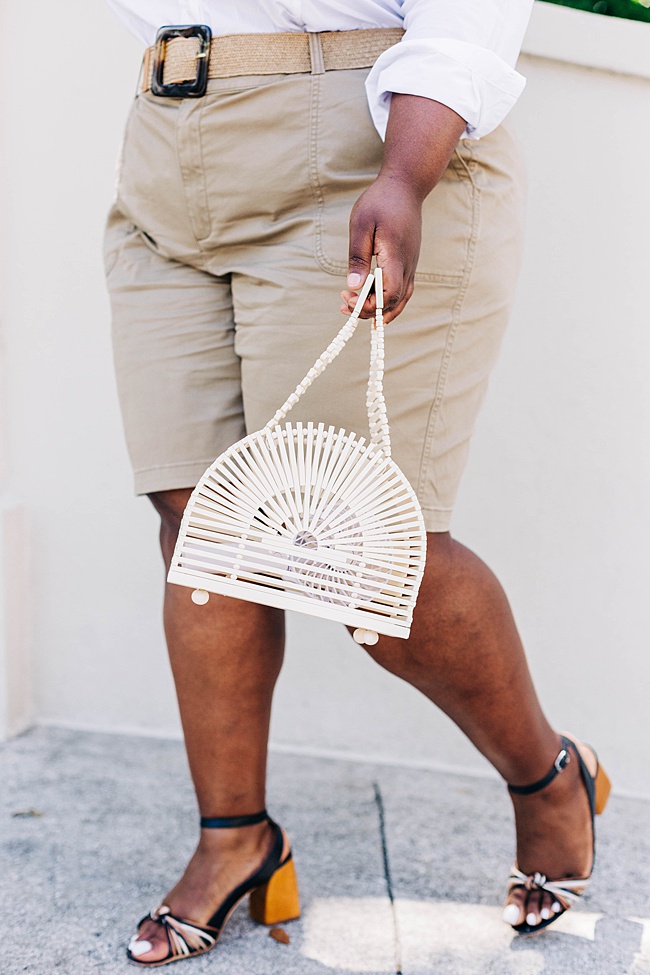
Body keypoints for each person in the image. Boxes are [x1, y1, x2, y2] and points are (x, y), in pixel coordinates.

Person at [103, 1, 610, 966]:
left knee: (359, 545)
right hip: (168, 138)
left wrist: (405, 172)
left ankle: (549, 773)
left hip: (365, 135)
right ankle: (236, 835)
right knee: (198, 519)